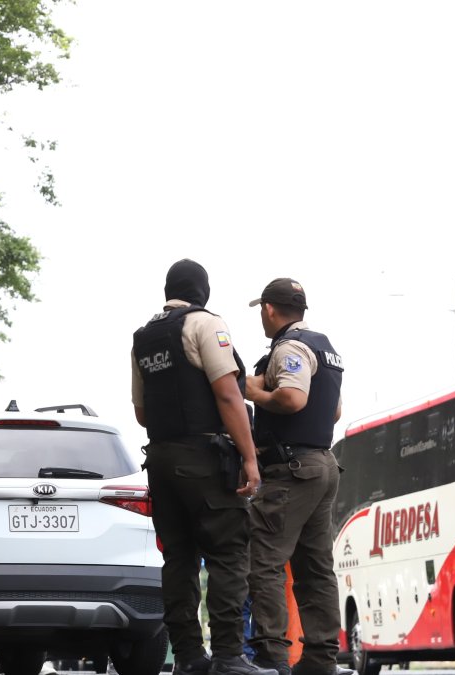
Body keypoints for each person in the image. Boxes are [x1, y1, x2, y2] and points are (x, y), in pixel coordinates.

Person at [131, 259, 273, 675]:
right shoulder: (206, 325)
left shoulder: (143, 337)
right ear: (202, 291)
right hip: (203, 458)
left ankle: (190, 657)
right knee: (229, 553)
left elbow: (141, 413)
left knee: (178, 558)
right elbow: (229, 395)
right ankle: (229, 655)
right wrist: (249, 457)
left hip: (159, 459)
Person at [242, 279, 346, 675]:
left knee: (263, 560)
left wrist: (255, 394)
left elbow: (292, 398)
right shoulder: (326, 348)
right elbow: (332, 411)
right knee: (315, 567)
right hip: (323, 463)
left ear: (269, 309)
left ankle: (271, 656)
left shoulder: (289, 348)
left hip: (292, 470)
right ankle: (321, 659)